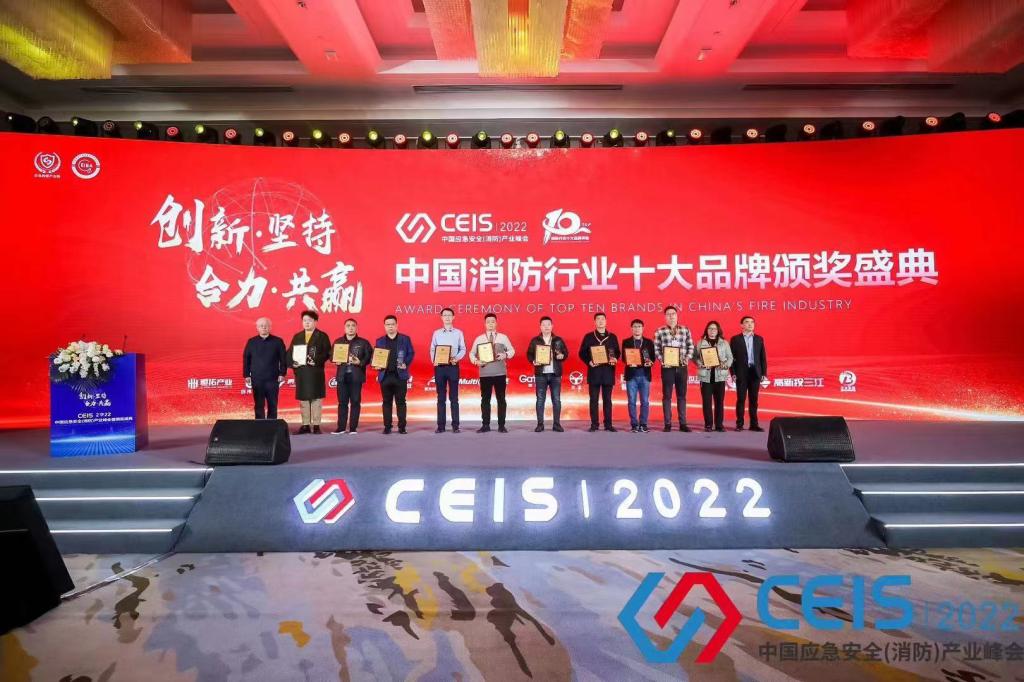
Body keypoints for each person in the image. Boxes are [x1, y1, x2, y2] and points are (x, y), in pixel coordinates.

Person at [469, 312, 515, 433]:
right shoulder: (479, 339)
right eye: (488, 322)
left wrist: (505, 354)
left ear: (496, 323)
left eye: (493, 322)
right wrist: (476, 361)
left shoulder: (503, 337)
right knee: (485, 400)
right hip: (485, 373)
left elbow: (512, 350)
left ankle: (501, 425)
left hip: (500, 373)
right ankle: (485, 425)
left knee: (501, 399)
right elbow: (471, 353)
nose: (490, 324)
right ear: (485, 324)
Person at [287, 310, 331, 434]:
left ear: (315, 322)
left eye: (309, 321)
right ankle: (305, 425)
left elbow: (328, 353)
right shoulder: (297, 336)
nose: (306, 323)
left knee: (316, 399)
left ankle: (316, 425)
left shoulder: (322, 336)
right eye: (304, 320)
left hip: (315, 371)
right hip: (302, 372)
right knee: (303, 400)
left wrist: (316, 360)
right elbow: (290, 352)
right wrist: (293, 363)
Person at [653, 305, 694, 432]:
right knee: (667, 396)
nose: (671, 316)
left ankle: (683, 423)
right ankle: (668, 424)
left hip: (682, 367)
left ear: (677, 316)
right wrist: (662, 360)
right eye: (668, 314)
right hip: (667, 368)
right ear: (665, 317)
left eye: (673, 314)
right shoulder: (659, 331)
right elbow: (656, 349)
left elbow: (691, 346)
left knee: (682, 396)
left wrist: (687, 358)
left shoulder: (685, 330)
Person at [578, 312, 619, 432]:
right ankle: (594, 424)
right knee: (593, 400)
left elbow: (617, 352)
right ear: (595, 322)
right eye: (598, 319)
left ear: (606, 321)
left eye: (602, 319)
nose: (600, 321)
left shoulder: (612, 337)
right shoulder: (589, 336)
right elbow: (582, 353)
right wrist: (589, 361)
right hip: (594, 372)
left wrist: (615, 358)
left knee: (608, 400)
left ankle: (608, 424)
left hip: (608, 372)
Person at [330, 318, 372, 435]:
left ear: (356, 328)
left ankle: (353, 428)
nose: (350, 328)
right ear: (344, 328)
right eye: (348, 325)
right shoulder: (338, 341)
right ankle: (341, 428)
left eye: (353, 325)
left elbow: (369, 357)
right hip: (342, 376)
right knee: (342, 402)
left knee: (355, 402)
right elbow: (331, 355)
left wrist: (360, 362)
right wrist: (335, 360)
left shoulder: (363, 342)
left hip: (356, 376)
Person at [526, 316, 568, 432]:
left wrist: (562, 356)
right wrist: (533, 361)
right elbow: (529, 354)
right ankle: (540, 424)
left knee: (556, 399)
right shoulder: (535, 340)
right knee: (540, 400)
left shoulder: (558, 340)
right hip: (541, 374)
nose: (546, 327)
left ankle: (557, 424)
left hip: (555, 374)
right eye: (544, 325)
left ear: (552, 326)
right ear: (540, 327)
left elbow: (566, 353)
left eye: (548, 324)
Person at [429, 307, 467, 433]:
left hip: (453, 367)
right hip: (439, 367)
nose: (447, 317)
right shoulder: (436, 333)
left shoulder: (459, 333)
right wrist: (434, 360)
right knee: (441, 398)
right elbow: (432, 349)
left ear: (453, 317)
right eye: (445, 315)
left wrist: (456, 358)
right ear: (441, 318)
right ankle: (441, 426)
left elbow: (463, 349)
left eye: (449, 315)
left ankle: (455, 426)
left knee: (454, 398)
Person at [375, 315, 414, 434]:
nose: (390, 326)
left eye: (392, 324)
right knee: (386, 402)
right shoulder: (380, 341)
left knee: (401, 402)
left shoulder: (405, 339)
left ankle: (402, 427)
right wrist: (376, 365)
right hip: (385, 375)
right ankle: (387, 426)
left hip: (400, 375)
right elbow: (376, 356)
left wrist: (406, 363)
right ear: (384, 326)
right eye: (388, 324)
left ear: (397, 325)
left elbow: (411, 353)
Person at [242, 317, 287, 420]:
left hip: (273, 378)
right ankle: (259, 425)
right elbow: (246, 358)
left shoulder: (278, 341)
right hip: (257, 378)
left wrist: (282, 373)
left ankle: (272, 424)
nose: (264, 327)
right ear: (257, 328)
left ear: (270, 327)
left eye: (266, 326)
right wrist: (246, 375)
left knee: (273, 403)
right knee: (259, 404)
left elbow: (283, 358)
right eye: (261, 326)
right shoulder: (251, 342)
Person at [730, 315, 768, 432]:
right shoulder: (735, 339)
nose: (750, 324)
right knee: (741, 399)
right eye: (747, 322)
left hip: (755, 372)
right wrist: (733, 373)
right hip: (741, 372)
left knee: (754, 400)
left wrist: (764, 373)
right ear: (742, 325)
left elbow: (762, 358)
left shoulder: (759, 339)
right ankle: (739, 424)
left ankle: (754, 424)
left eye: (752, 322)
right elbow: (731, 358)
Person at [694, 320, 734, 432]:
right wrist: (700, 363)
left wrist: (726, 365)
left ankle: (719, 425)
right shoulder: (700, 343)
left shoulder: (724, 343)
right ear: (707, 330)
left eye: (714, 329)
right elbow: (694, 357)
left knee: (719, 402)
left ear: (718, 330)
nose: (712, 330)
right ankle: (708, 425)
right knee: (706, 402)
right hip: (705, 376)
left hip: (720, 376)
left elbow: (730, 357)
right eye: (710, 328)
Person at [621, 319, 656, 433]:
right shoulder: (626, 342)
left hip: (645, 375)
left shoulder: (649, 342)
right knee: (631, 401)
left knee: (645, 401)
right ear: (631, 328)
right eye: (635, 326)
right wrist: (629, 362)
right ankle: (634, 424)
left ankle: (643, 424)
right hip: (631, 375)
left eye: (639, 326)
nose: (637, 328)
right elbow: (624, 358)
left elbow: (653, 357)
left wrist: (650, 362)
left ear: (643, 328)